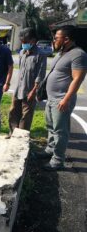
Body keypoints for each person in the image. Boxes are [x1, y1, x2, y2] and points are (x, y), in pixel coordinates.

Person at [37, 25, 87, 170]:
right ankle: (50, 150)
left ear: (66, 39)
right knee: (51, 127)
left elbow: (77, 79)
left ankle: (57, 161)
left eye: (56, 38)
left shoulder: (79, 54)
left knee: (60, 131)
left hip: (62, 99)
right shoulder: (61, 53)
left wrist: (66, 99)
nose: (54, 40)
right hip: (52, 98)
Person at [7, 28, 47, 137]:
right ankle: (12, 133)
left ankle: (21, 137)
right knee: (13, 111)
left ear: (33, 40)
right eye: (22, 42)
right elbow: (21, 71)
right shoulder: (22, 52)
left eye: (25, 42)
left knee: (26, 115)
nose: (23, 44)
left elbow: (40, 75)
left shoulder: (40, 55)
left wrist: (33, 91)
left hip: (30, 90)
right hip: (19, 88)